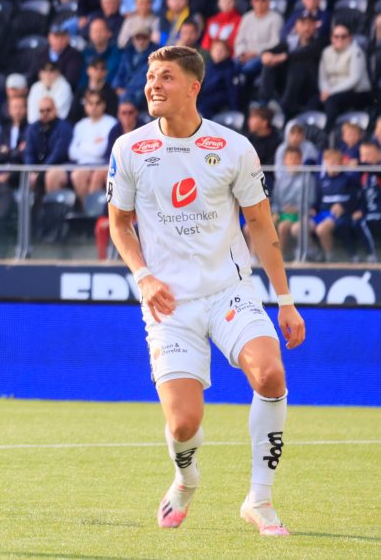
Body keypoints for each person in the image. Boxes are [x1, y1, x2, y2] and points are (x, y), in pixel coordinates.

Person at [106, 44, 305, 535]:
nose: (153, 84)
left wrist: (285, 300)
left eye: (166, 77)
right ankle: (185, 478)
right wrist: (143, 275)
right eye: (151, 76)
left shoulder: (234, 147)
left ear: (194, 87)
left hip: (229, 291)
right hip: (168, 303)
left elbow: (260, 224)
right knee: (182, 425)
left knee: (270, 375)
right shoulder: (129, 148)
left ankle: (259, 499)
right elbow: (118, 224)